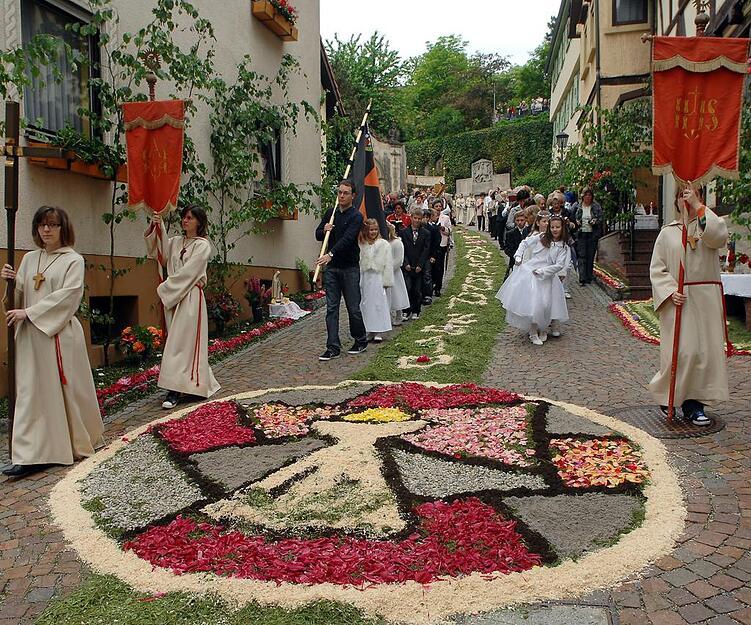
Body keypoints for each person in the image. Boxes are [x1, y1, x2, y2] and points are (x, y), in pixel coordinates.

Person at [1, 206, 104, 477]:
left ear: (63, 228)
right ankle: (30, 453)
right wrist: (11, 283)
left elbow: (67, 297)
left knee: (56, 393)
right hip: (30, 337)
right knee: (30, 394)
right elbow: (18, 300)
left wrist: (29, 313)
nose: (46, 230)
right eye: (41, 224)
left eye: (53, 225)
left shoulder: (73, 260)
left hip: (56, 335)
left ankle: (60, 446)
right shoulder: (29, 259)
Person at [649, 186, 729, 426]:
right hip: (679, 300)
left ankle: (694, 405)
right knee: (684, 352)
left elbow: (718, 237)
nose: (685, 199)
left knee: (703, 353)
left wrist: (697, 206)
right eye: (681, 196)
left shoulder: (708, 223)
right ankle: (669, 394)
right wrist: (670, 291)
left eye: (692, 195)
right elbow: (657, 268)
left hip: (705, 299)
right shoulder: (668, 233)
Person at [146, 205, 220, 409]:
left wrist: (165, 288)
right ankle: (196, 382)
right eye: (184, 217)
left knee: (181, 344)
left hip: (189, 298)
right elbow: (160, 254)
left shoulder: (202, 246)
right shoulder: (175, 242)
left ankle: (174, 390)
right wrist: (157, 225)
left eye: (190, 218)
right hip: (174, 298)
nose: (185, 221)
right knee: (176, 342)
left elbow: (190, 272)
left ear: (199, 222)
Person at [496, 214, 570, 345]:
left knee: (547, 304)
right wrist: (518, 256)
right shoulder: (541, 237)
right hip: (532, 272)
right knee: (536, 303)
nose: (554, 229)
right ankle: (533, 331)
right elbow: (525, 243)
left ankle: (543, 329)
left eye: (557, 227)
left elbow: (559, 265)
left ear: (562, 228)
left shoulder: (562, 246)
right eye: (552, 227)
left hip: (547, 276)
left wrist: (543, 271)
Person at [315, 180, 368, 361]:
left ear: (353, 196)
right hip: (332, 270)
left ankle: (360, 340)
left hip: (350, 268)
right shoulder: (331, 213)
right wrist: (324, 230)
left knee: (353, 308)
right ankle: (332, 347)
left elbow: (347, 239)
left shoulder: (356, 216)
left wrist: (330, 254)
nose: (342, 196)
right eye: (339, 192)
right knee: (332, 308)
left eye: (346, 193)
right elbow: (317, 235)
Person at [358, 218, 393, 343]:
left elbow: (388, 263)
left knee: (379, 303)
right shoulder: (362, 244)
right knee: (366, 304)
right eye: (371, 230)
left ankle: (379, 330)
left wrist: (387, 280)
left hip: (378, 277)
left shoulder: (384, 244)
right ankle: (369, 329)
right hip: (366, 277)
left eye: (375, 230)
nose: (373, 232)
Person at [400, 207, 431, 321]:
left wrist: (420, 265)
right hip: (407, 265)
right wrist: (405, 263)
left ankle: (416, 310)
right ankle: (406, 310)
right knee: (407, 288)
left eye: (419, 218)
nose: (417, 220)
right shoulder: (404, 232)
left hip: (418, 265)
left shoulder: (425, 233)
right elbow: (402, 249)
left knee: (417, 290)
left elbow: (426, 250)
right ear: (411, 218)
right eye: (415, 218)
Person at [572, 188, 604, 285]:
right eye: (586, 195)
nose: (587, 197)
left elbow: (601, 218)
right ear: (583, 196)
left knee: (590, 255)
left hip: (592, 234)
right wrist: (576, 222)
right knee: (582, 255)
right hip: (581, 233)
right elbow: (572, 217)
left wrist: (595, 221)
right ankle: (582, 277)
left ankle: (588, 276)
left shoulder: (596, 206)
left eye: (589, 195)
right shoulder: (577, 206)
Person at [386, 222, 410, 327]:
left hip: (394, 273)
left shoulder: (397, 243)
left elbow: (399, 259)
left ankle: (399, 314)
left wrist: (390, 269)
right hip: (384, 272)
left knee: (396, 294)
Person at [503, 210, 530, 278]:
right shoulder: (510, 233)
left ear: (526, 220)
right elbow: (507, 248)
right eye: (517, 220)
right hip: (515, 261)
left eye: (522, 220)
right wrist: (516, 255)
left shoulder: (529, 232)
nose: (519, 222)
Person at [433, 204, 453, 297]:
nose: (438, 208)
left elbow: (450, 231)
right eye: (436, 206)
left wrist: (443, 228)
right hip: (432, 244)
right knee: (433, 266)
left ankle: (438, 287)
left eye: (439, 206)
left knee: (440, 266)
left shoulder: (445, 218)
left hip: (442, 244)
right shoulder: (430, 216)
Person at [422, 207, 441, 304]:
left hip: (429, 255)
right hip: (418, 256)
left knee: (427, 275)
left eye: (426, 217)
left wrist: (433, 256)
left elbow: (435, 244)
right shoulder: (418, 228)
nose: (424, 219)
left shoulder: (433, 229)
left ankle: (428, 294)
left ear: (429, 218)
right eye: (423, 217)